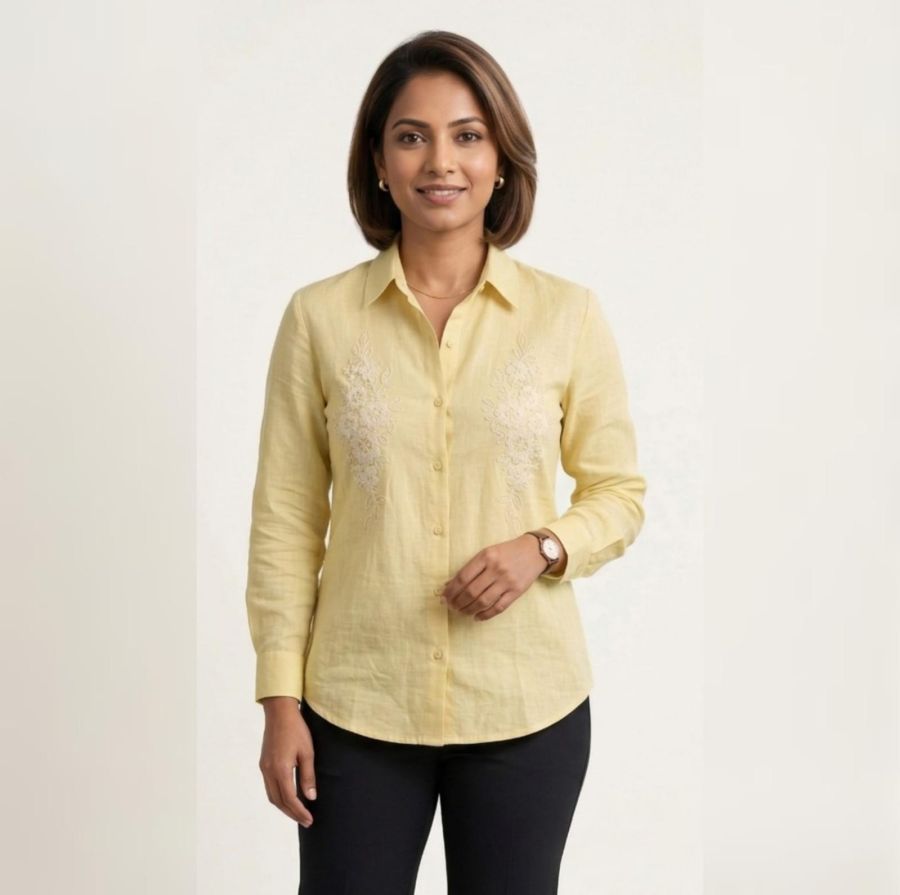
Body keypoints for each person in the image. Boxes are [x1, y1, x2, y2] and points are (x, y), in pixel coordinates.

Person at [244, 29, 647, 895]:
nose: (441, 161)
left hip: (526, 704)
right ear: (379, 162)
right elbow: (284, 520)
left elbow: (619, 492)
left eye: (467, 135)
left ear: (501, 160)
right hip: (356, 704)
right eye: (411, 135)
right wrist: (279, 700)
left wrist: (542, 546)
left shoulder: (568, 315)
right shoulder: (318, 319)